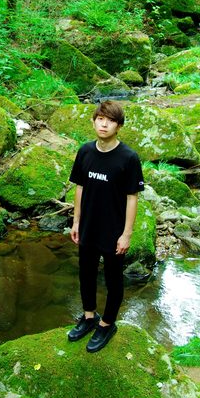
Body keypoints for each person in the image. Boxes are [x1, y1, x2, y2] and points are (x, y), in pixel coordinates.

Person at [67, 100, 145, 353]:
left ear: (118, 126)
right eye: (100, 118)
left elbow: (132, 197)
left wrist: (126, 234)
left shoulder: (128, 158)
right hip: (88, 226)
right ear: (93, 121)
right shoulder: (85, 151)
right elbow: (80, 188)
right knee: (86, 273)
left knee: (113, 279)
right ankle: (89, 316)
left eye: (110, 120)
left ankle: (107, 324)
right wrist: (76, 221)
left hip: (113, 231)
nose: (104, 124)